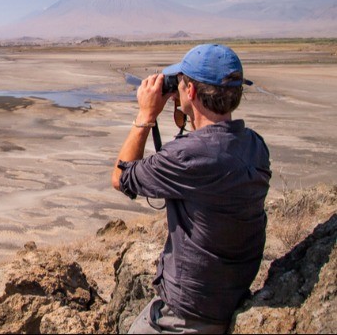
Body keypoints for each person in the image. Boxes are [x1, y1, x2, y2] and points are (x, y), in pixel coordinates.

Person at [111, 44, 271, 334]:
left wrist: (146, 115)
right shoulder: (255, 145)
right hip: (232, 295)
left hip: (189, 313)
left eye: (181, 83)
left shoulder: (187, 157)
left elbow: (122, 177)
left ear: (193, 92)